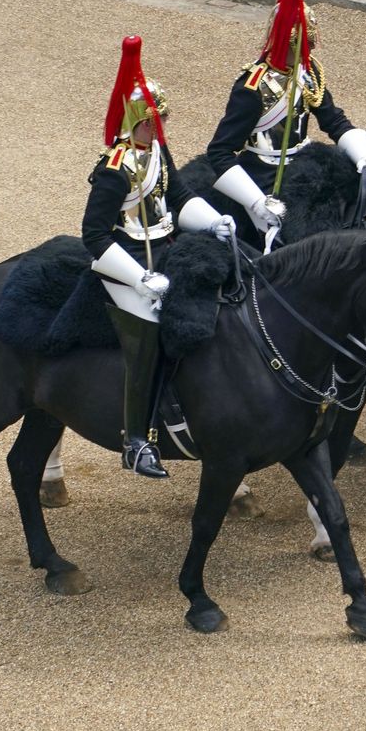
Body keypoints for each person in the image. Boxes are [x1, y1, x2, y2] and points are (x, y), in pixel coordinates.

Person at [84, 38, 235, 478]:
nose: (163, 123)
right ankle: (137, 439)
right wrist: (137, 278)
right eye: (156, 118)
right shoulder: (115, 170)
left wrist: (212, 221)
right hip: (126, 260)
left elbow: (180, 195)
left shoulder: (157, 152)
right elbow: (93, 234)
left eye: (163, 117)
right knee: (148, 335)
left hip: (167, 247)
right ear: (137, 121)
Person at [206, 0, 366, 247]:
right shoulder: (252, 88)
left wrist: (364, 155)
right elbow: (220, 151)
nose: (307, 53)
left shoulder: (308, 74)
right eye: (300, 48)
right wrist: (255, 202)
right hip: (264, 176)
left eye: (309, 47)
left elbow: (335, 122)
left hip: (306, 165)